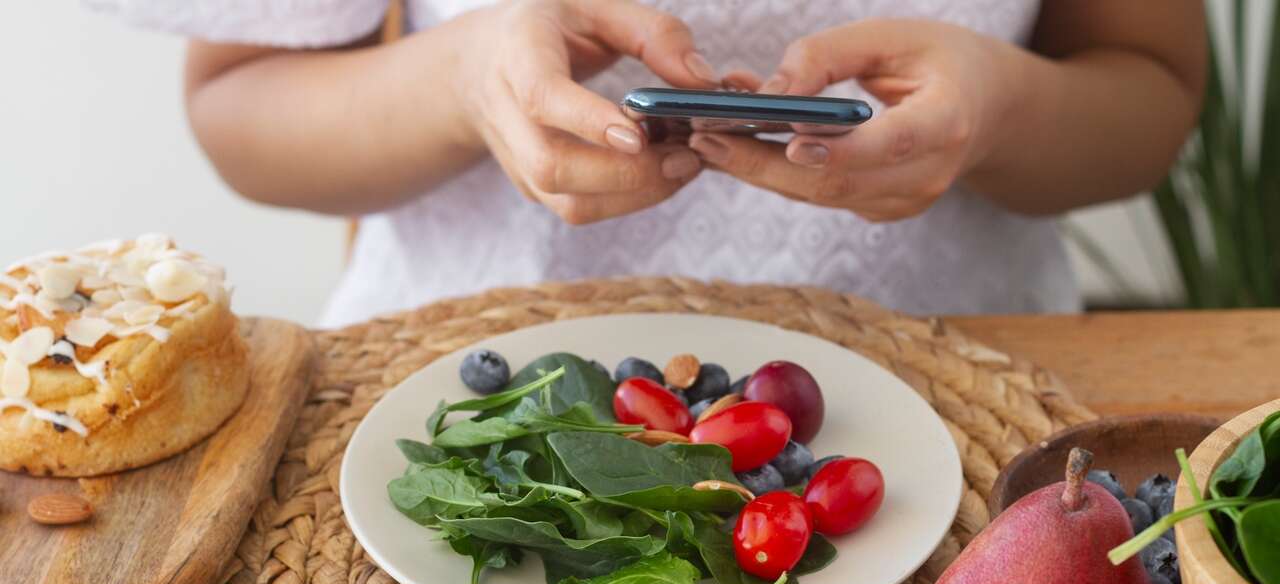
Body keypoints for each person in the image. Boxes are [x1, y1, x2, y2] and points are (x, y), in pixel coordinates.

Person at [89, 0, 1204, 327]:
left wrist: (1000, 115)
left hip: (964, 393)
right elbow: (238, 103)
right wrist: (458, 80)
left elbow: (1150, 91)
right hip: (451, 405)